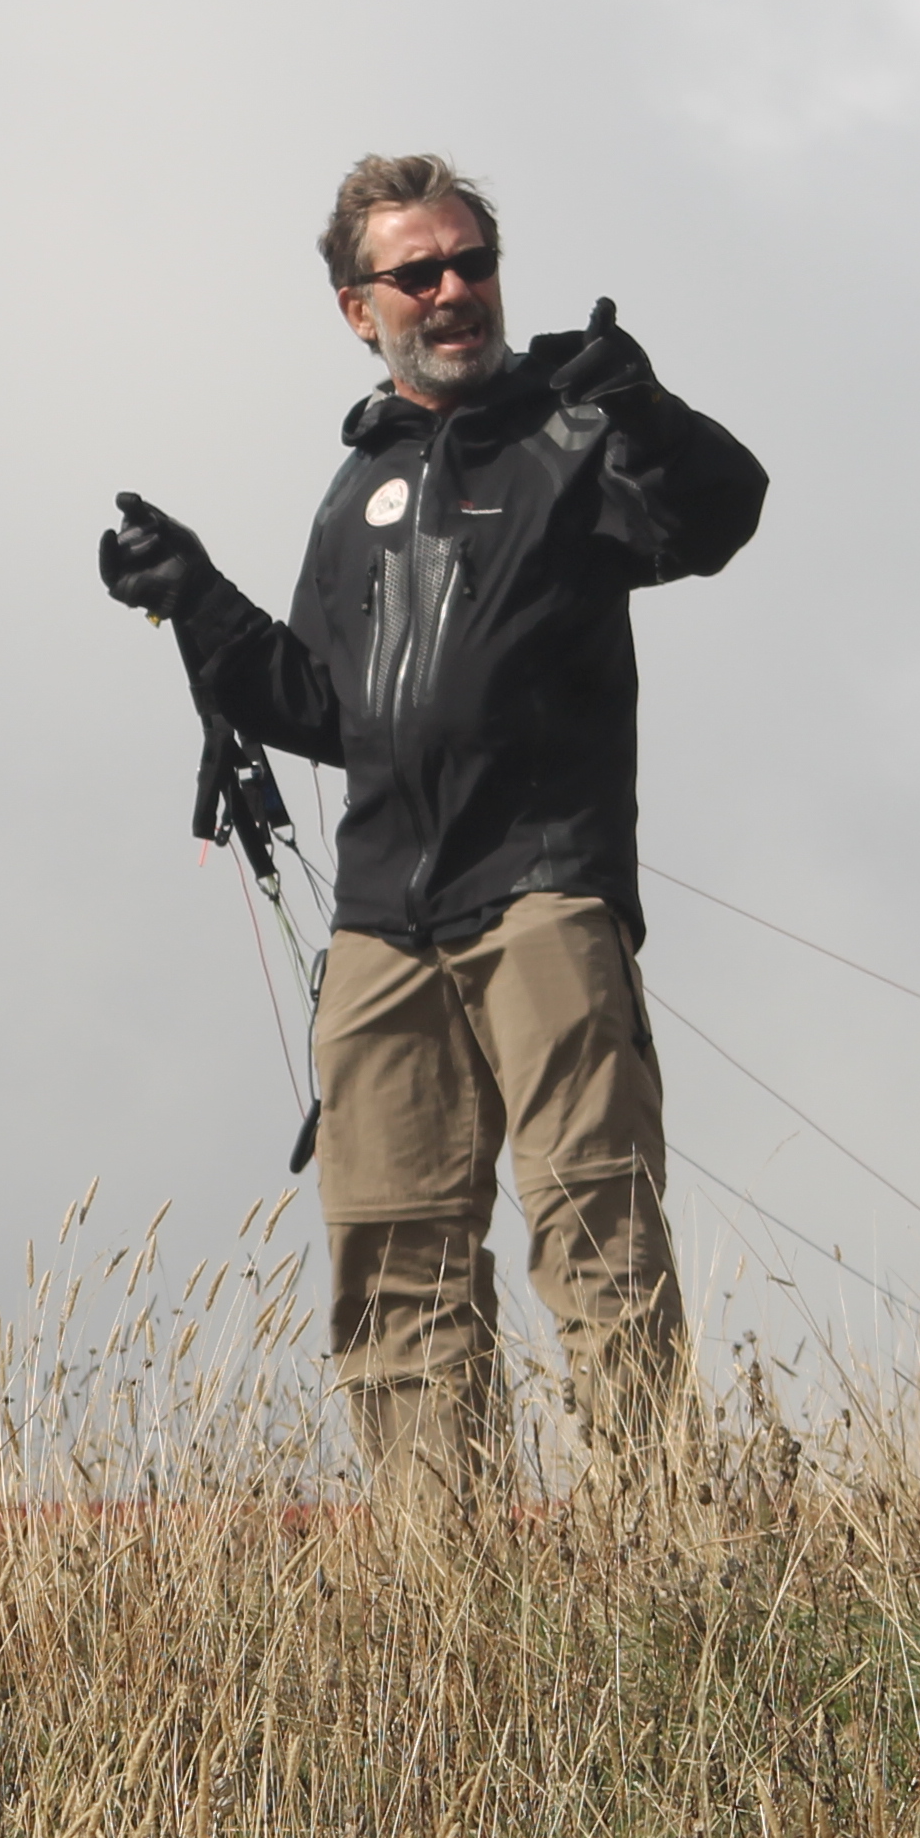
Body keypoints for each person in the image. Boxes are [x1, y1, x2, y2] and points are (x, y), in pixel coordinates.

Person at [99, 154, 764, 1503]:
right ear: (360, 309)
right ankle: (439, 1594)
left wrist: (647, 408)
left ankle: (661, 1556)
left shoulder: (572, 437)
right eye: (420, 273)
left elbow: (718, 516)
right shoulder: (357, 490)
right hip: (381, 923)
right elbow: (321, 705)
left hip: (544, 896)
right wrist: (198, 596)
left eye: (472, 263)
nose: (455, 291)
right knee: (393, 1260)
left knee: (595, 1225)